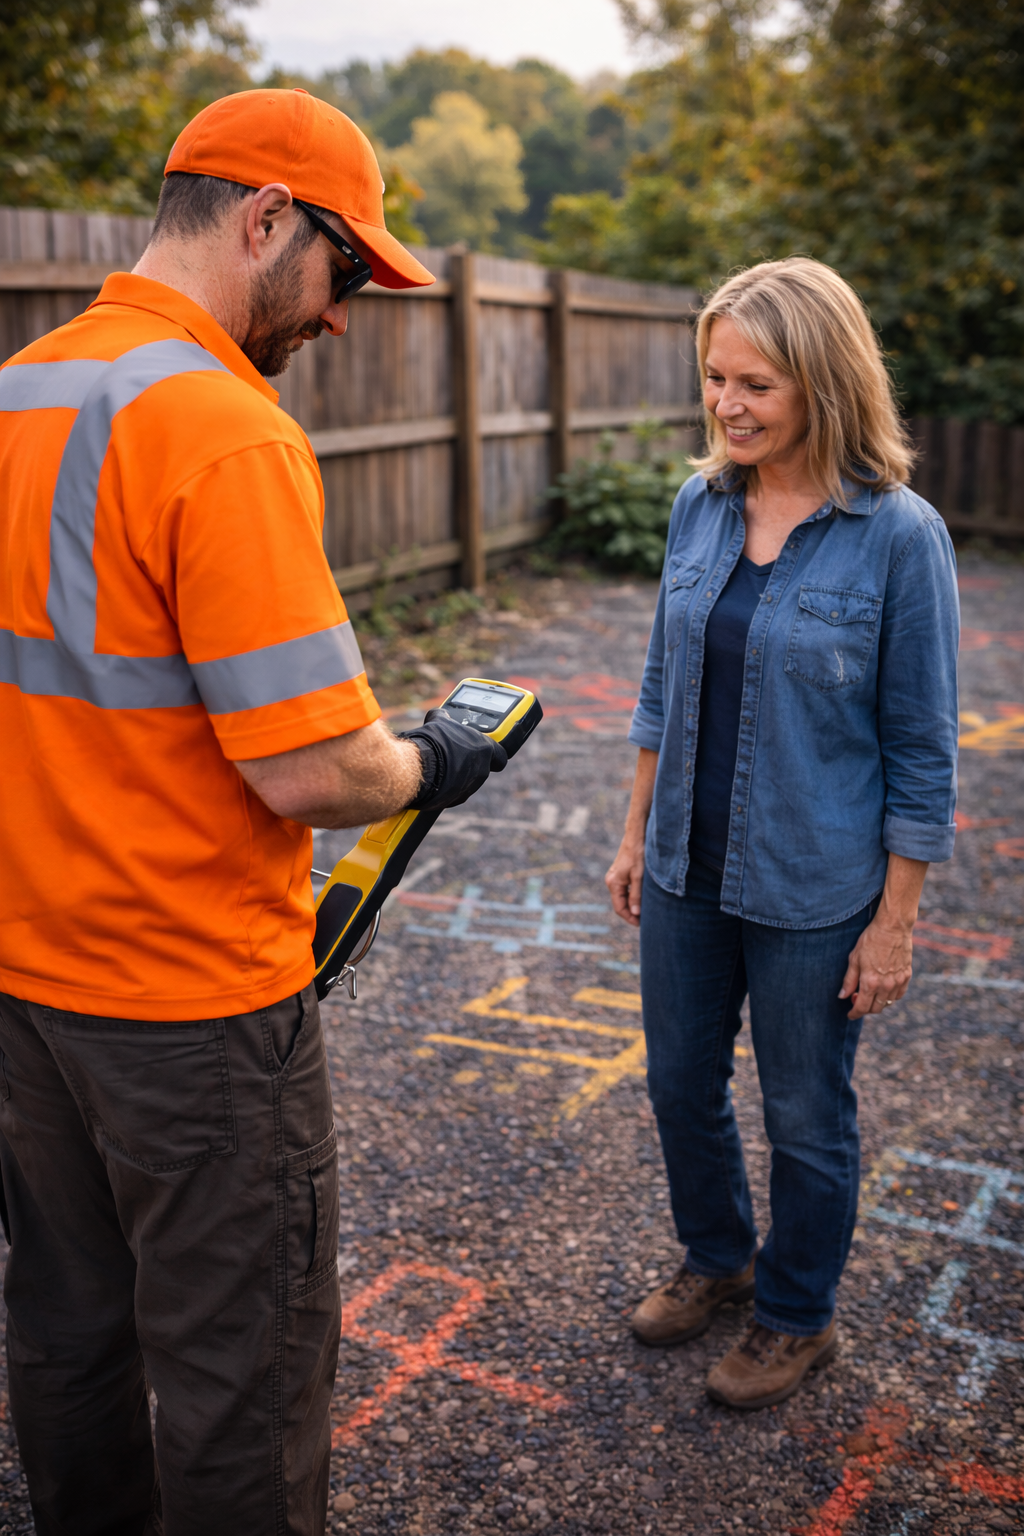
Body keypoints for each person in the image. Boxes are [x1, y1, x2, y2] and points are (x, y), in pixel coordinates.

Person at [0, 89, 505, 1535]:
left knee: (71, 1337)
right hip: (187, 1013)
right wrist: (430, 760)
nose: (341, 313)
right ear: (264, 217)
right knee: (239, 1378)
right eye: (346, 269)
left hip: (24, 988)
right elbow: (310, 770)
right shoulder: (225, 430)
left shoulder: (20, 387)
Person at [606, 257, 959, 1410]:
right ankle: (720, 1258)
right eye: (715, 378)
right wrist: (629, 837)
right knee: (675, 1085)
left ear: (823, 380)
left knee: (807, 1115)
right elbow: (662, 689)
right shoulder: (698, 505)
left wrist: (894, 922)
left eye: (754, 382)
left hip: (816, 888)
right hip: (684, 872)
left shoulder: (898, 538)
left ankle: (797, 1318)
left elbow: (920, 746)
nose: (727, 405)